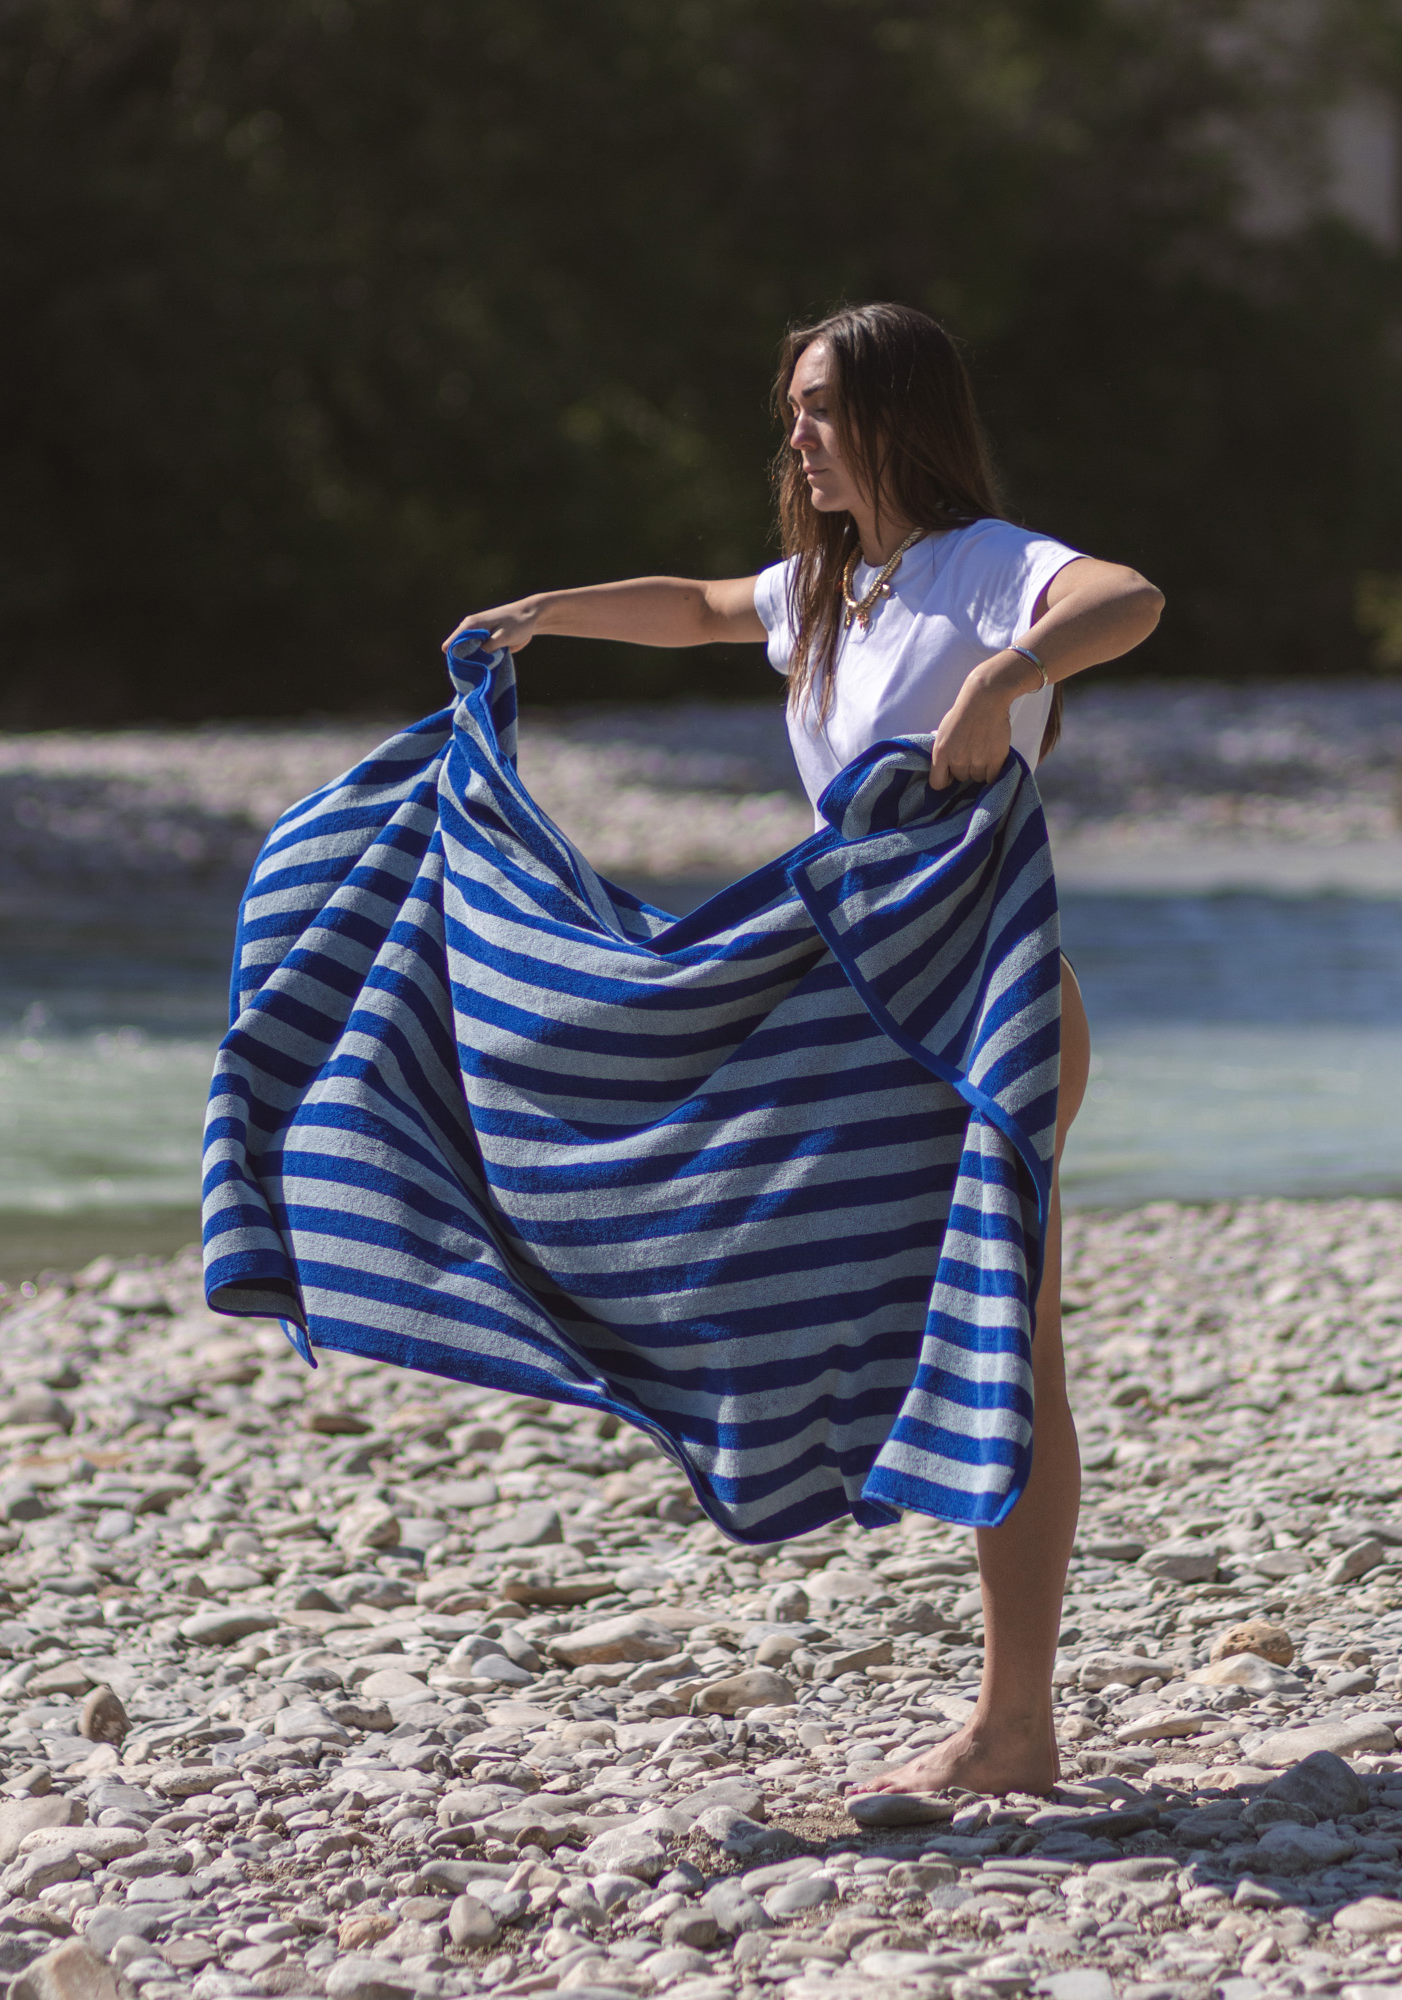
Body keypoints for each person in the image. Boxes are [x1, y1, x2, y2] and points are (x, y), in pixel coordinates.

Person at [443, 302, 1164, 1797]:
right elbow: (709, 606)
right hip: (849, 1016)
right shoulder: (829, 586)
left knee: (1007, 1338)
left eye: (821, 405)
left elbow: (1132, 599)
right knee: (758, 1250)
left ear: (901, 412)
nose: (797, 432)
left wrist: (997, 681)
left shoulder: (982, 568)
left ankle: (1014, 1722)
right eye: (791, 407)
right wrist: (545, 611)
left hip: (983, 1009)